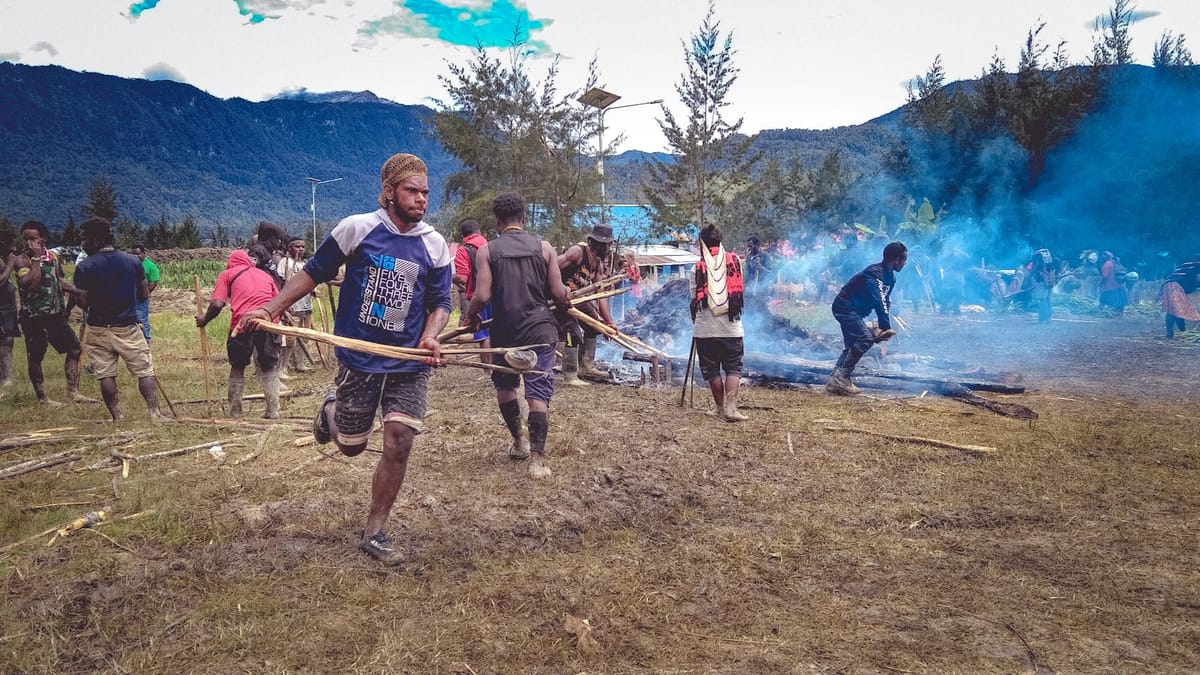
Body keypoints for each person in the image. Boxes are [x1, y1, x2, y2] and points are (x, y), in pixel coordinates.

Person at [235, 153, 452, 565]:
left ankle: (375, 532)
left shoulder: (434, 244)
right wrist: (270, 308)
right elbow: (313, 272)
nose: (421, 199)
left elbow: (441, 301)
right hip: (359, 357)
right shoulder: (357, 228)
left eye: (425, 192)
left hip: (408, 361)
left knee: (399, 442)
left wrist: (429, 336)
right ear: (389, 192)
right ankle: (330, 411)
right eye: (412, 191)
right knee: (352, 447)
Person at [467, 192, 571, 478]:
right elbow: (558, 292)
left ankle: (519, 441)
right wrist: (567, 296)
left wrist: (470, 315)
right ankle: (537, 461)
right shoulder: (545, 249)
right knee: (538, 392)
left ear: (497, 221)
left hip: (505, 331)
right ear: (524, 218)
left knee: (506, 388)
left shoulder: (487, 251)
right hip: (540, 329)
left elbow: (482, 295)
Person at [72, 217, 167, 422]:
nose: (83, 243)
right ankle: (155, 413)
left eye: (85, 239)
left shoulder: (85, 266)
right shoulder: (132, 261)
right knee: (144, 370)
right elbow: (144, 294)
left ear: (96, 238)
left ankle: (117, 417)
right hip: (128, 326)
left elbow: (82, 302)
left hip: (98, 327)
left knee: (105, 374)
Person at [197, 247, 284, 418]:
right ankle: (273, 411)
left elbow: (217, 304)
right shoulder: (264, 275)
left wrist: (204, 319)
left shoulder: (227, 275)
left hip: (242, 325)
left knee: (238, 366)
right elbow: (278, 301)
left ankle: (235, 413)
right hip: (268, 323)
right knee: (270, 366)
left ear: (230, 262)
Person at [13, 221, 88, 405]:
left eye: (33, 238)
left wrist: (79, 291)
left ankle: (73, 392)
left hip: (55, 314)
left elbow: (56, 279)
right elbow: (31, 282)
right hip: (33, 316)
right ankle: (42, 398)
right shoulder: (22, 260)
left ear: (43, 238)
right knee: (36, 355)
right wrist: (36, 259)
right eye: (26, 239)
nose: (29, 242)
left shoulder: (52, 257)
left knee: (75, 348)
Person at [826, 241, 907, 395]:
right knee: (865, 339)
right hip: (845, 307)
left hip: (855, 311)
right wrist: (884, 326)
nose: (905, 264)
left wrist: (885, 319)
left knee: (851, 345)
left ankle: (834, 380)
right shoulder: (874, 273)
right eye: (904, 260)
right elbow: (878, 299)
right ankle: (842, 378)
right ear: (897, 260)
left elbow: (884, 300)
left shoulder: (891, 278)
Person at [690, 224, 748, 421]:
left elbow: (694, 301)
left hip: (706, 330)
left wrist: (694, 321)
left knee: (712, 370)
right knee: (733, 368)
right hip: (732, 328)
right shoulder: (735, 261)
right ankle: (731, 409)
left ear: (702, 244)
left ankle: (719, 408)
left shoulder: (697, 268)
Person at [556, 223, 617, 384]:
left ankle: (586, 366)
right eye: (608, 245)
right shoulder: (577, 252)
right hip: (560, 299)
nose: (609, 249)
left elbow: (600, 295)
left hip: (579, 299)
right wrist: (559, 289)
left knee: (594, 326)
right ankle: (570, 374)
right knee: (573, 333)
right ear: (599, 244)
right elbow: (551, 267)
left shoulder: (598, 264)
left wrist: (608, 322)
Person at [452, 219, 491, 364]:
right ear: (478, 232)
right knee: (496, 332)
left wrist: (449, 277)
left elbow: (462, 278)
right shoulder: (490, 246)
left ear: (463, 235)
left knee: (484, 336)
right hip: (498, 295)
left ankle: (489, 370)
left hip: (478, 297)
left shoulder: (463, 250)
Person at [278, 236, 317, 376]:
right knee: (290, 339)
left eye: (302, 247)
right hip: (292, 307)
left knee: (304, 336)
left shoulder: (305, 264)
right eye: (297, 246)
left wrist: (313, 291)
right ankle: (283, 367)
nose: (301, 249)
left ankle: (300, 364)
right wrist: (284, 304)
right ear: (290, 248)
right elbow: (281, 283)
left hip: (305, 306)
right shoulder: (285, 263)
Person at [129, 243, 161, 342]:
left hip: (141, 298)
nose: (135, 257)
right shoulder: (127, 264)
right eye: (133, 254)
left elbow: (153, 283)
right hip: (128, 298)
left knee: (142, 319)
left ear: (144, 254)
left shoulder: (150, 266)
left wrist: (144, 294)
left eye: (138, 254)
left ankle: (145, 340)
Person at [0, 231, 20, 388]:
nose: (13, 248)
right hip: (2, 308)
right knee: (5, 341)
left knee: (8, 341)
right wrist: (11, 263)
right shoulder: (5, 261)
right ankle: (5, 378)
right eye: (10, 244)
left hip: (7, 307)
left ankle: (6, 376)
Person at [1159, 264, 1200, 339]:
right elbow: (1197, 279)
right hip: (1173, 286)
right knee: (1173, 310)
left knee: (1178, 310)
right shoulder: (1196, 269)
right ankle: (1171, 333)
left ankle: (1182, 331)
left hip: (1175, 286)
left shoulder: (1194, 269)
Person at [1098, 250, 1128, 315]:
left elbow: (1105, 276)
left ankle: (1099, 312)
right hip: (1119, 285)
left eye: (1104, 255)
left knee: (1103, 300)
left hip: (1110, 286)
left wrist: (1100, 284)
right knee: (1120, 301)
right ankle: (1121, 314)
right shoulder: (1116, 263)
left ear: (1107, 257)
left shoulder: (1107, 264)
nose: (1102, 257)